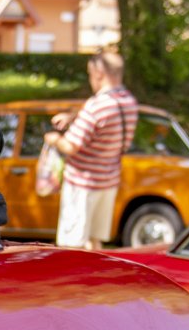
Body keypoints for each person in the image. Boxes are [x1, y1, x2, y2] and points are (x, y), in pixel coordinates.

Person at [44, 51, 139, 250]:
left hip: (82, 184)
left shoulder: (96, 106)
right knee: (95, 241)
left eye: (90, 74)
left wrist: (54, 139)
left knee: (72, 244)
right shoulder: (129, 102)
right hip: (108, 180)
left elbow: (71, 146)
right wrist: (74, 116)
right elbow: (101, 117)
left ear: (99, 73)